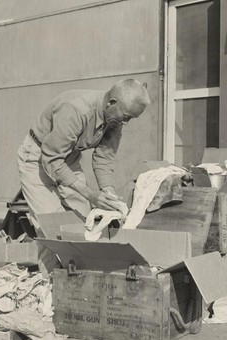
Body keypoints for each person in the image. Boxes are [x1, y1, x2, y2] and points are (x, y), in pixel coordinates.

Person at [17, 79, 151, 239]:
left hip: (68, 158)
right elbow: (52, 159)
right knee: (51, 228)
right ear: (112, 102)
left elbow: (104, 159)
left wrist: (110, 196)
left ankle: (77, 263)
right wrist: (90, 194)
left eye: (130, 119)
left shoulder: (115, 118)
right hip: (38, 157)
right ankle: (53, 262)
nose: (125, 123)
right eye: (126, 117)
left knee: (85, 224)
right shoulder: (75, 110)